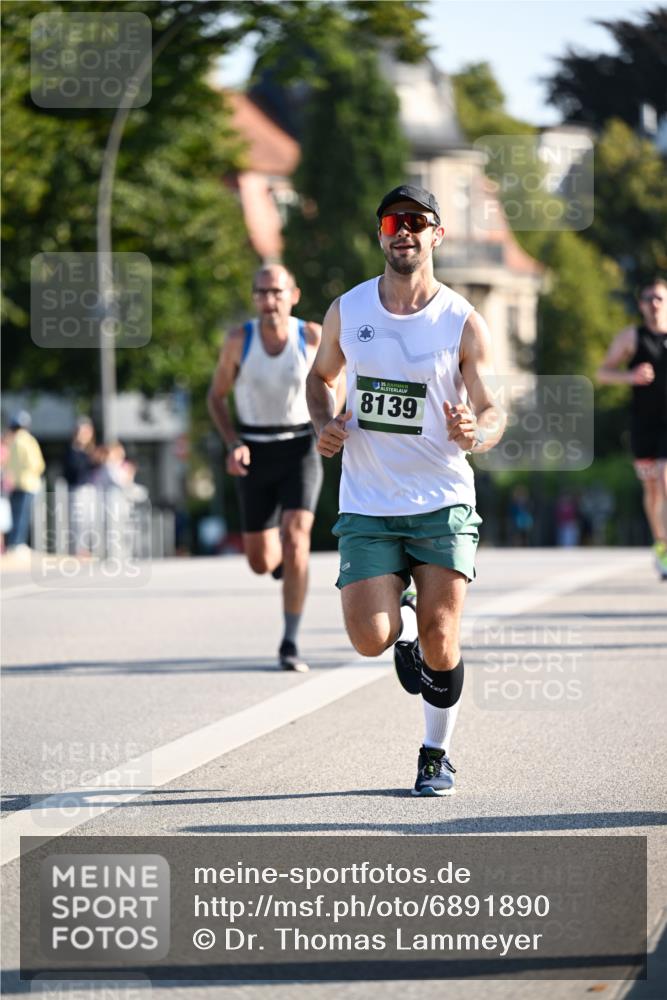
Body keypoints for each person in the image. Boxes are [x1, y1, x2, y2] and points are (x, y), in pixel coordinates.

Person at [306, 184, 506, 796]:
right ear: (381, 233)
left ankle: (434, 753)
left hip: (442, 500)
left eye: (418, 223)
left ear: (436, 235)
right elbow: (321, 378)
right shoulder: (350, 309)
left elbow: (493, 408)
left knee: (444, 637)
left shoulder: (461, 320)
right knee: (370, 639)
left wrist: (476, 431)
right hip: (368, 501)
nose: (405, 231)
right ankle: (405, 638)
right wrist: (325, 423)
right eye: (395, 221)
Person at [208, 264, 328, 672]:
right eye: (261, 293)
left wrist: (328, 421)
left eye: (276, 292)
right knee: (259, 561)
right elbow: (216, 398)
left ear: (292, 294)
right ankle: (280, 566)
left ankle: (290, 641)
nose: (268, 300)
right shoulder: (239, 341)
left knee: (297, 536)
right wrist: (233, 442)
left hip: (299, 447)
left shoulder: (311, 336)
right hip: (254, 449)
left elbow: (339, 378)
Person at [597, 278, 667, 579]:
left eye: (660, 298)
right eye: (648, 298)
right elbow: (602, 373)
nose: (654, 304)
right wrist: (632, 376)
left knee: (665, 478)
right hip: (644, 424)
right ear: (640, 304)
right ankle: (661, 543)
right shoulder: (631, 338)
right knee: (652, 488)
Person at [5, 411, 45, 550]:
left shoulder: (12, 441)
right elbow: (37, 463)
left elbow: (8, 464)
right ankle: (18, 543)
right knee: (23, 515)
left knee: (15, 514)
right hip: (28, 483)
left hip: (15, 483)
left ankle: (12, 543)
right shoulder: (27, 440)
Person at [62, 416, 97, 555]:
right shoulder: (72, 451)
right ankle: (78, 550)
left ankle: (86, 549)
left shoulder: (89, 452)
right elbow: (74, 472)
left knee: (90, 521)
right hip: (77, 490)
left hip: (90, 490)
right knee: (78, 521)